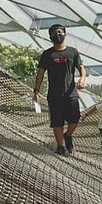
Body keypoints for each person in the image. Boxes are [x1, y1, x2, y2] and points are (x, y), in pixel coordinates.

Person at [33, 24, 86, 157]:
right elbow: (40, 73)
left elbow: (81, 67)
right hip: (54, 94)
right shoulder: (47, 54)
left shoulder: (72, 52)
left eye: (60, 32)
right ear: (50, 37)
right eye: (54, 33)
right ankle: (60, 146)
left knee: (75, 119)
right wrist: (36, 90)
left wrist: (82, 79)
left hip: (71, 93)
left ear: (65, 34)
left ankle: (68, 135)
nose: (58, 35)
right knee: (57, 122)